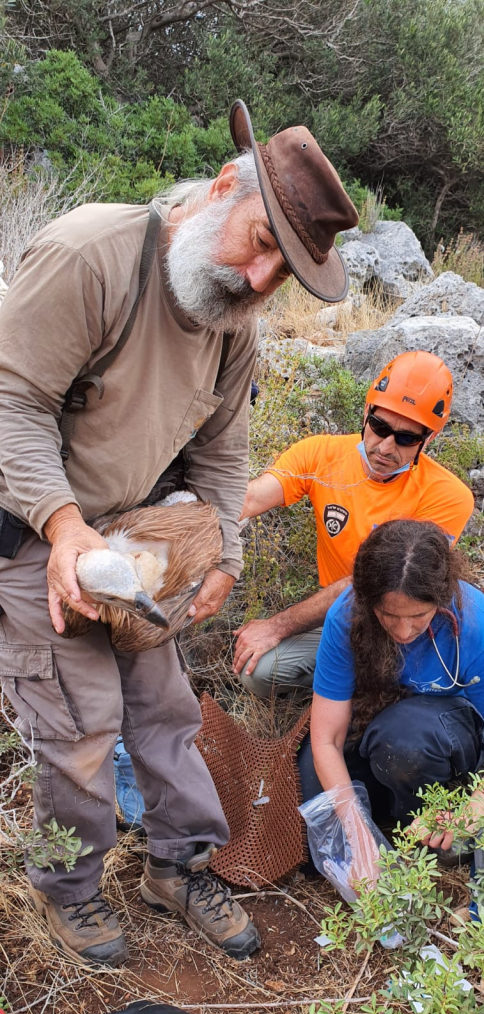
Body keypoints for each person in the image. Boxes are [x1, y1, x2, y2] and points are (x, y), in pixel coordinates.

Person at [0, 99, 359, 967]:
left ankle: (178, 866)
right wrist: (64, 527)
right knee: (79, 732)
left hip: (135, 544)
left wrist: (228, 556)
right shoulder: (95, 256)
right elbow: (10, 402)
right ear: (224, 185)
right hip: (32, 531)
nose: (262, 278)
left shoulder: (233, 318)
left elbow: (224, 452)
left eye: (287, 268)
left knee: (166, 714)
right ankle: (65, 891)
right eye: (262, 242)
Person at [233, 350, 475, 695]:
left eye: (406, 438)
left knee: (399, 684)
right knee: (260, 673)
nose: (386, 446)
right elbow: (249, 498)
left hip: (406, 617)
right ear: (366, 413)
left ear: (428, 440)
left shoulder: (447, 495)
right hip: (345, 614)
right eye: (379, 427)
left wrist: (279, 625)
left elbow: (375, 583)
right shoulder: (321, 454)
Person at [303, 518, 484, 886]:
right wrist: (354, 830)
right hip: (384, 719)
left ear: (442, 597)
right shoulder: (347, 615)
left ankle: (436, 827)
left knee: (403, 739)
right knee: (313, 792)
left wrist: (477, 802)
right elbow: (327, 738)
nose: (402, 631)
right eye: (388, 615)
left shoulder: (475, 622)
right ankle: (387, 831)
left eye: (419, 615)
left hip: (451, 730)